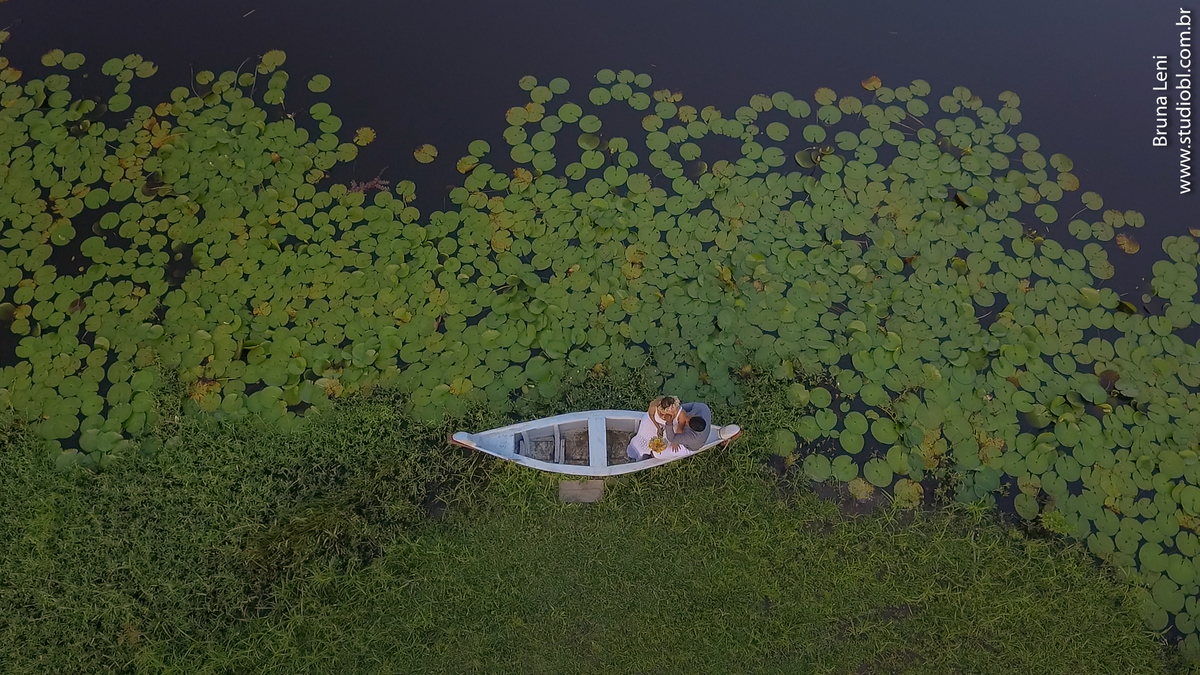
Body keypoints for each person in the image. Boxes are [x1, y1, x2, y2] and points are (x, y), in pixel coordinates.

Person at [626, 396, 681, 461]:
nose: (663, 412)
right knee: (641, 441)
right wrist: (658, 427)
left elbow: (680, 424)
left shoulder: (676, 412)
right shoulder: (654, 406)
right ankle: (635, 454)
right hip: (651, 423)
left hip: (666, 427)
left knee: (660, 444)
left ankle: (650, 455)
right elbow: (651, 415)